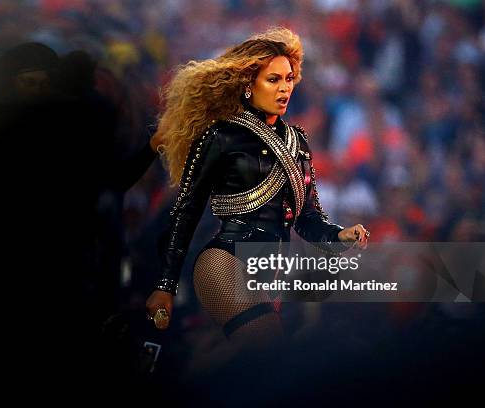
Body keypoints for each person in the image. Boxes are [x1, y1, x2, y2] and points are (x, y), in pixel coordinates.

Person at [146, 27, 370, 339]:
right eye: (273, 79)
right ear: (249, 85)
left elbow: (307, 219)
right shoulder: (221, 136)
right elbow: (187, 211)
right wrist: (166, 285)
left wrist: (339, 235)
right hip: (223, 262)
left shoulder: (299, 142)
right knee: (265, 341)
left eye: (289, 79)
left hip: (269, 274)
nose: (284, 89)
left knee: (249, 359)